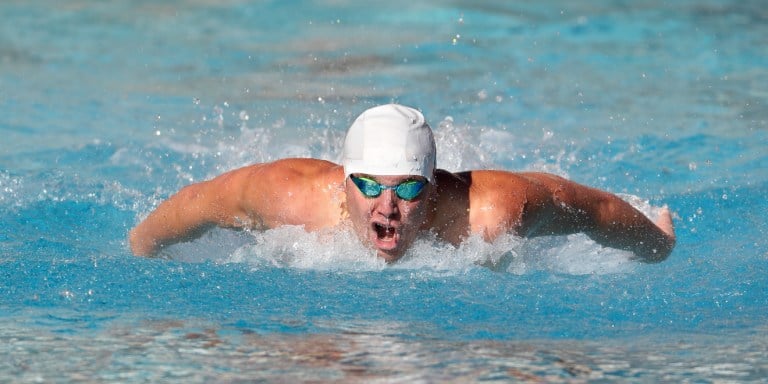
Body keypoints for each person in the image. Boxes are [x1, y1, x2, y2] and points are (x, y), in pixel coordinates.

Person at [129, 104, 675, 263]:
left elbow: (590, 208)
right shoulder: (287, 196)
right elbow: (194, 206)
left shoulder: (490, 212)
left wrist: (656, 243)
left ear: (434, 185)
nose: (386, 208)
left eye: (408, 189)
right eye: (368, 186)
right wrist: (142, 249)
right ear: (344, 182)